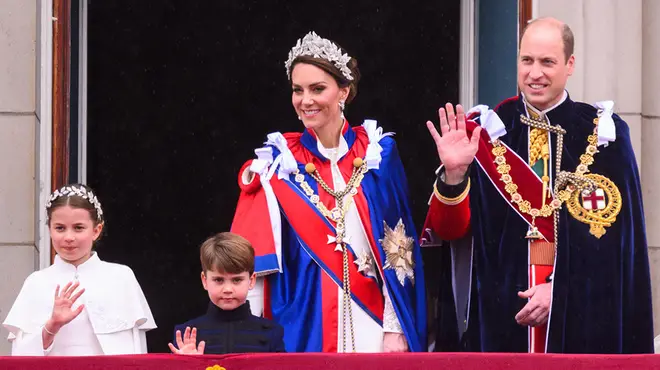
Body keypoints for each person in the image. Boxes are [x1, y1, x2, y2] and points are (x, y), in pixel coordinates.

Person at [424, 17, 653, 353]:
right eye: (527, 60)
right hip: (501, 316)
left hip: (581, 319)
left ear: (570, 64)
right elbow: (449, 233)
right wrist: (455, 174)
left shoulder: (604, 137)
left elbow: (617, 247)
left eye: (548, 62)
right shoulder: (485, 133)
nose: (534, 74)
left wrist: (559, 290)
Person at [230, 31, 426, 353]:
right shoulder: (278, 162)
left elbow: (399, 246)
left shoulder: (378, 153)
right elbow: (251, 260)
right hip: (301, 321)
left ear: (344, 92)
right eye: (298, 90)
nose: (305, 100)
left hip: (371, 320)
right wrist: (248, 334)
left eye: (317, 89)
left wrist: (395, 328)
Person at [3, 184, 156, 356]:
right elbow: (19, 358)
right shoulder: (36, 282)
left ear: (96, 230)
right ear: (50, 230)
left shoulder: (121, 277)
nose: (69, 237)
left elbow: (137, 352)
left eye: (78, 228)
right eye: (60, 228)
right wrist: (52, 325)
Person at [169, 232, 285, 354]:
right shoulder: (185, 336)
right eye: (219, 280)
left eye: (237, 280)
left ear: (251, 280)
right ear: (205, 280)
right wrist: (187, 364)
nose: (228, 289)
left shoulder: (271, 333)